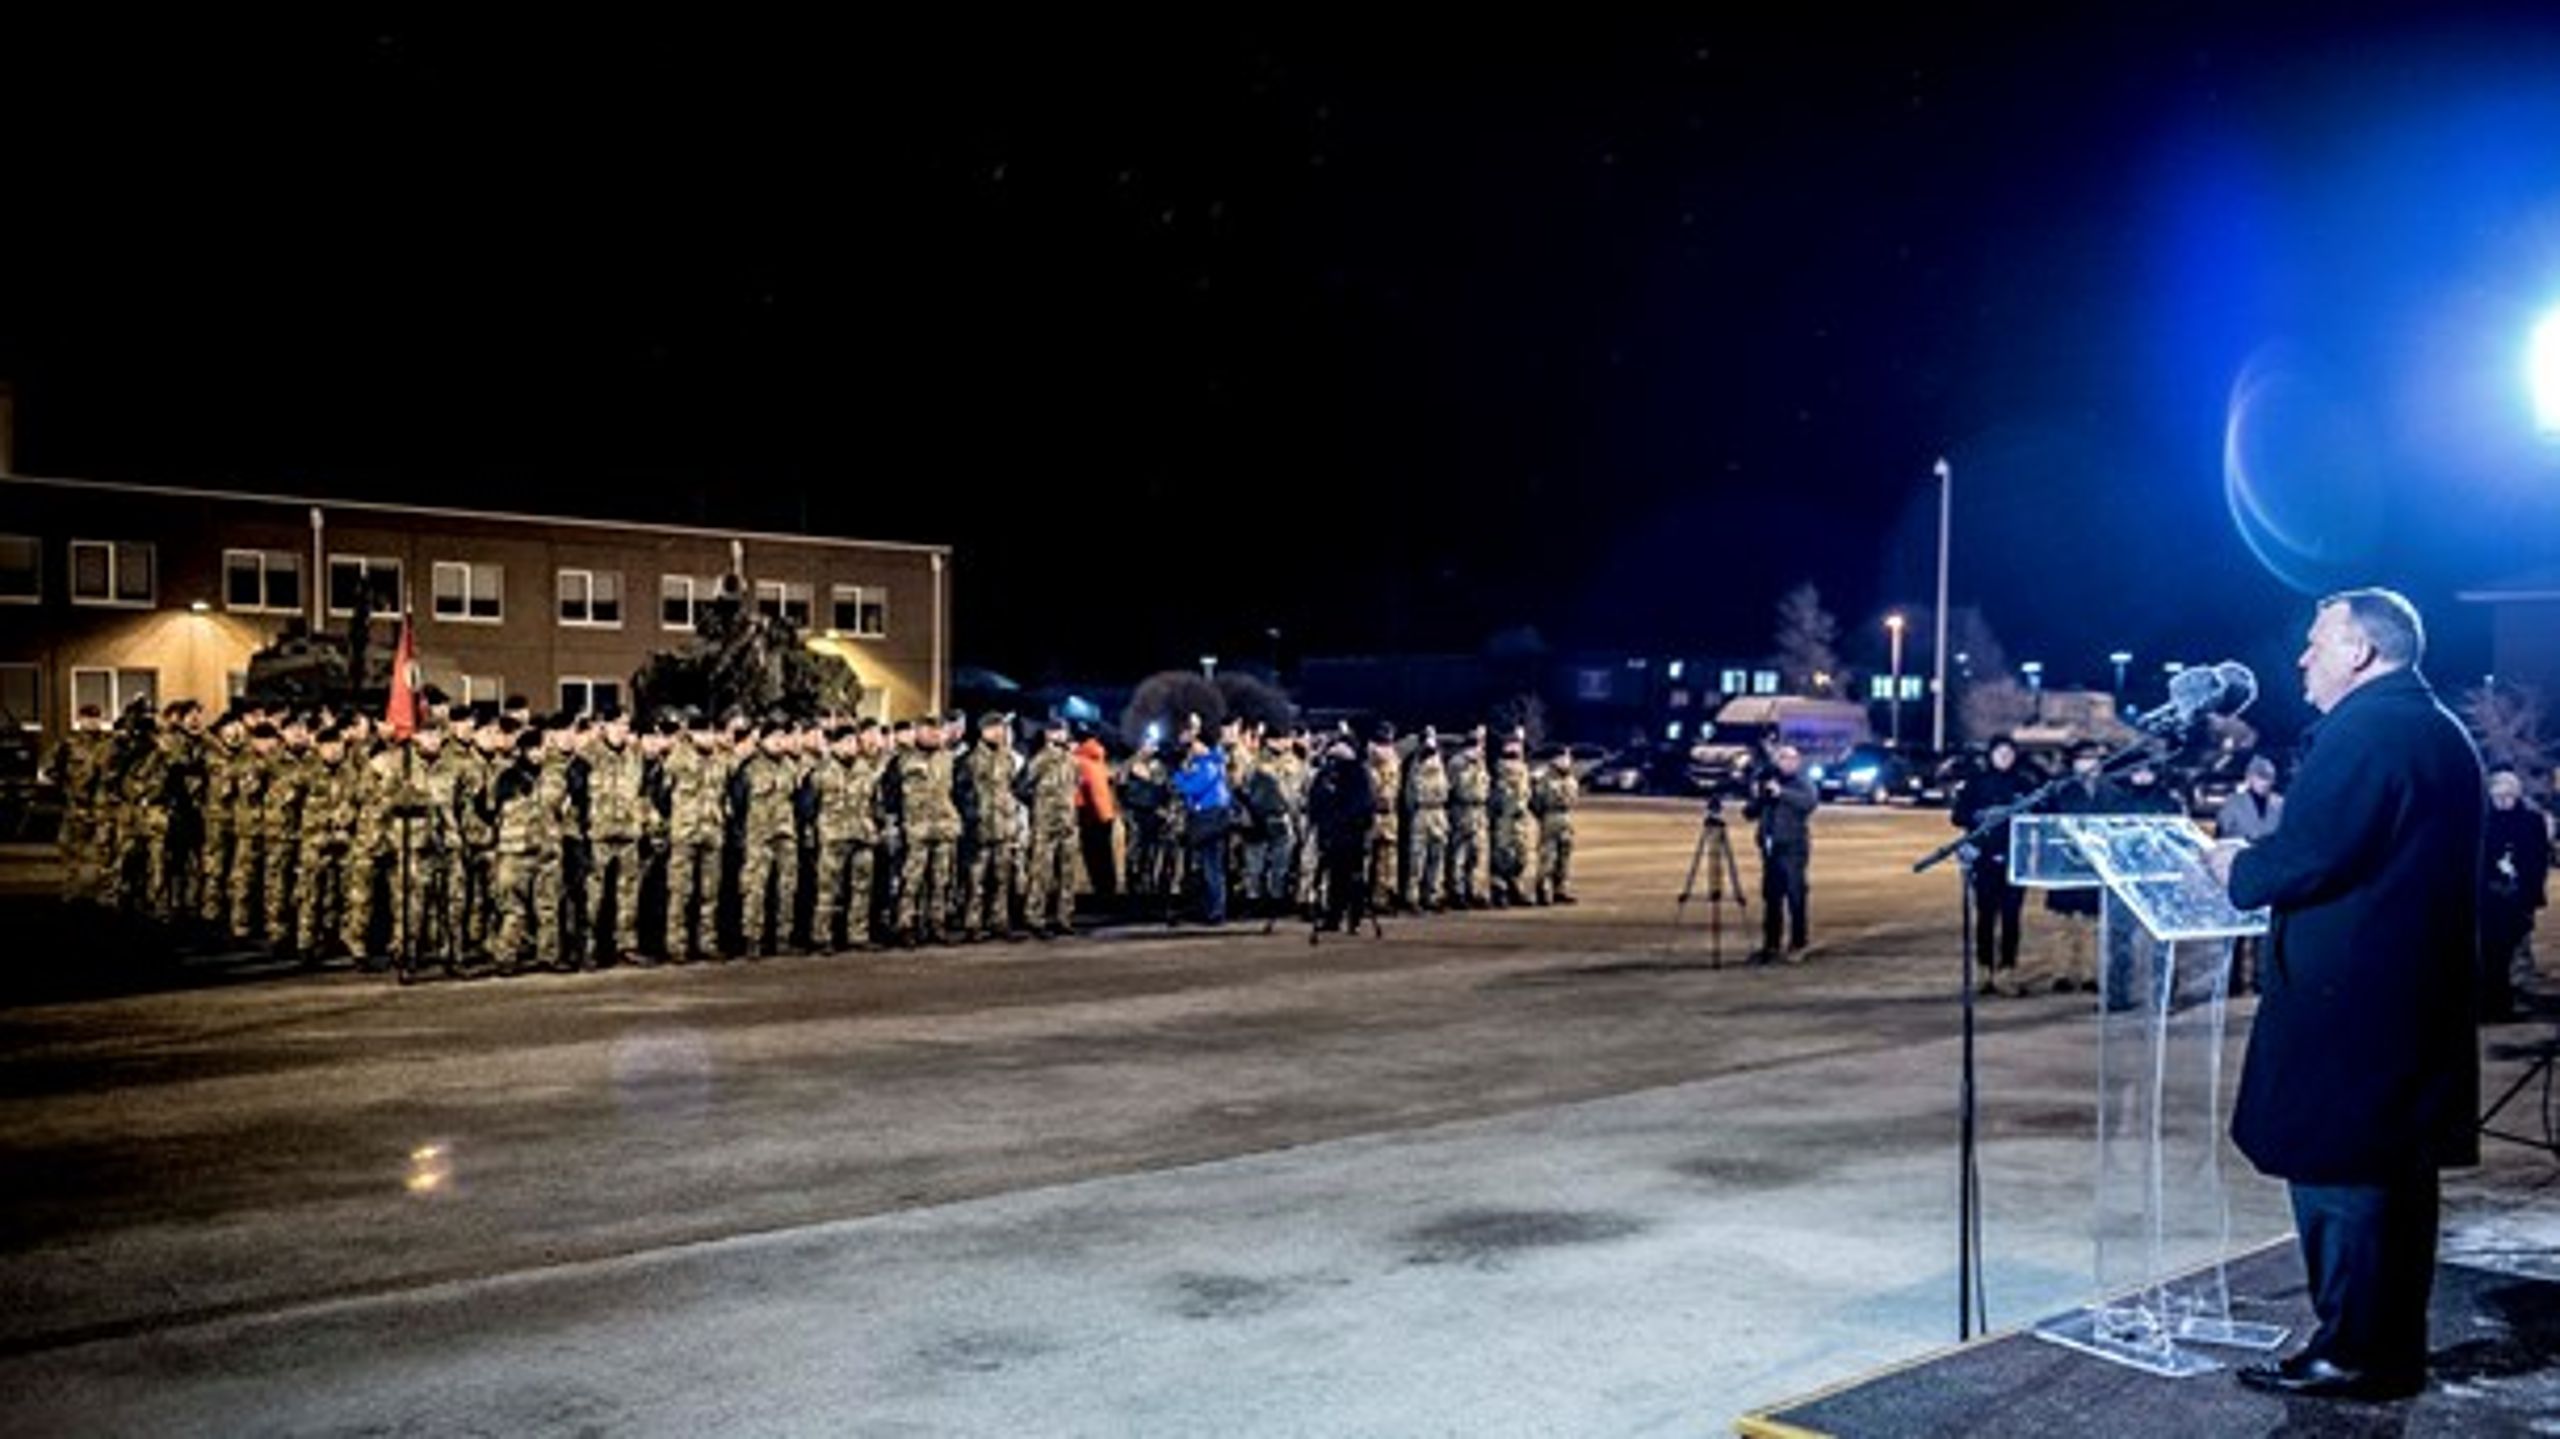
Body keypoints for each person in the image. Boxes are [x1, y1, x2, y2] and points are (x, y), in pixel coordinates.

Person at [2209, 588, 2482, 1401]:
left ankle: (2354, 1350)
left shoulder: (2369, 728)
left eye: (2316, 642)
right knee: (2392, 1184)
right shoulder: (2431, 725)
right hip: (2399, 1002)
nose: (2302, 658)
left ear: (2360, 651)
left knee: (2345, 1181)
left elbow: (2316, 852)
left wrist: (2238, 868)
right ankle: (2385, 1344)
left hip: (2352, 1007)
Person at [1951, 735, 2036, 996]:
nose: (2004, 758)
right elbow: (1957, 816)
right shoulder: (1976, 783)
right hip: (1984, 860)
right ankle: (1984, 970)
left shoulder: (2024, 782)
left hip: (2014, 859)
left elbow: (2043, 811)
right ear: (1990, 755)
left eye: (2009, 754)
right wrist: (1981, 815)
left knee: (2012, 918)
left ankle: (2007, 969)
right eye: (2000, 753)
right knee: (1985, 917)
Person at [2480, 766, 2549, 1024]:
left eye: (2509, 796)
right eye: (2499, 797)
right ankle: (2492, 1001)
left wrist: (2529, 891)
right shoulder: (2483, 820)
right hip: (2490, 898)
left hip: (2519, 896)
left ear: (2517, 794)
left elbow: (2538, 859)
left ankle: (2516, 999)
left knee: (2518, 951)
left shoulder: (2531, 820)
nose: (2504, 801)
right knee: (2491, 953)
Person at [2214, 755, 2285, 996]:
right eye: (2260, 778)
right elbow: (2223, 832)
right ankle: (2233, 982)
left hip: (2267, 870)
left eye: (2269, 780)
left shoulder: (2279, 804)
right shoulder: (2233, 803)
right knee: (2236, 933)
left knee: (2264, 933)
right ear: (2250, 778)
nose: (2264, 784)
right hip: (2241, 867)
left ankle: (2261, 980)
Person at [1743, 744, 1817, 963]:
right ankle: (1771, 944)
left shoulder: (1803, 783)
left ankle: (1798, 942)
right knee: (1771, 897)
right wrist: (1757, 797)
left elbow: (1809, 803)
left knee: (1796, 895)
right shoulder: (1768, 781)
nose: (1788, 762)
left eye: (1792, 758)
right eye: (1784, 758)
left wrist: (1781, 793)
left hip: (1793, 847)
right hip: (1770, 848)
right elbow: (1751, 812)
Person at [1172, 732, 1233, 925]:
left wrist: (1178, 776)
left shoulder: (1208, 765)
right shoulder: (1214, 763)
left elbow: (1192, 788)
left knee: (1211, 867)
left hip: (1209, 820)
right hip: (1212, 819)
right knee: (1211, 866)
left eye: (1195, 745)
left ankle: (1215, 911)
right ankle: (1211, 908)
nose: (1192, 749)